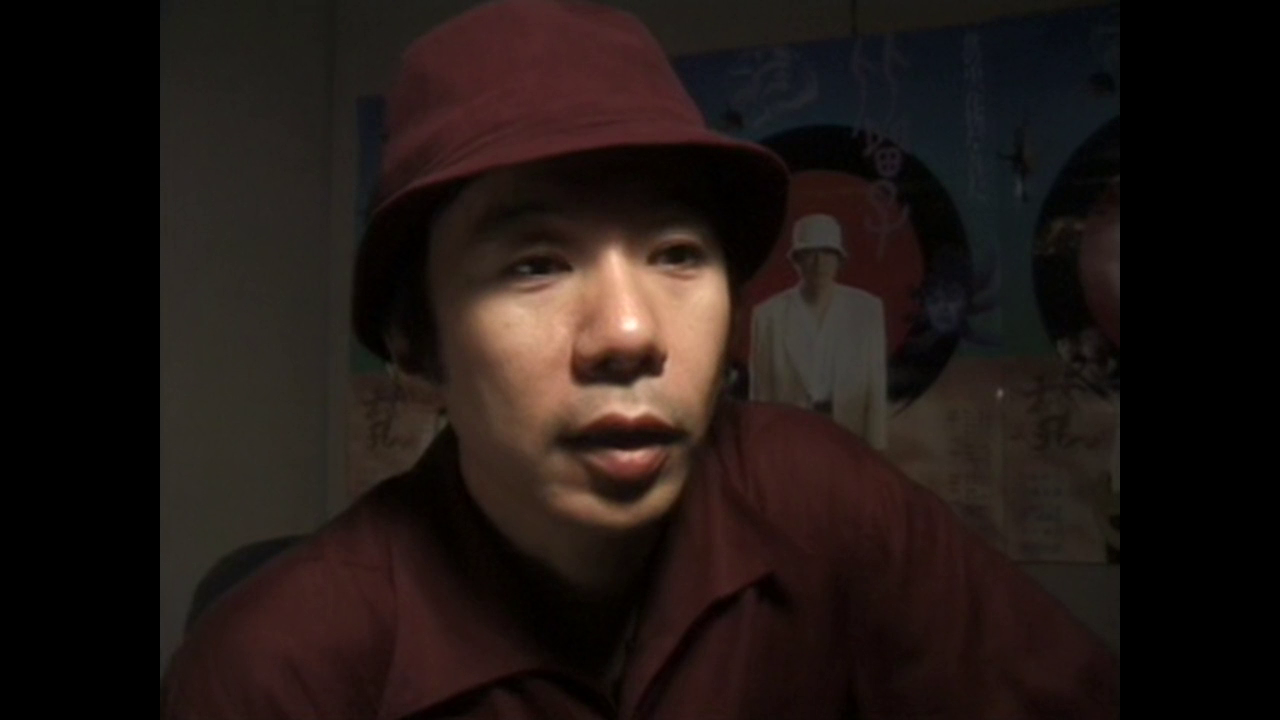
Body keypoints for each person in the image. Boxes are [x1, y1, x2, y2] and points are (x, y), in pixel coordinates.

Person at [160, 1, 1120, 717]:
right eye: (536, 265)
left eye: (676, 255)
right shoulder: (279, 671)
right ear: (417, 345)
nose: (631, 332)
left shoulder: (822, 499)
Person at [749, 213, 889, 449]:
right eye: (810, 253)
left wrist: (875, 452)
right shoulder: (768, 316)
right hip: (790, 443)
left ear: (839, 259)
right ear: (797, 260)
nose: (819, 262)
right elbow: (761, 397)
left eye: (827, 253)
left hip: (848, 440)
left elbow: (875, 389)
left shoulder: (866, 311)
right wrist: (765, 452)